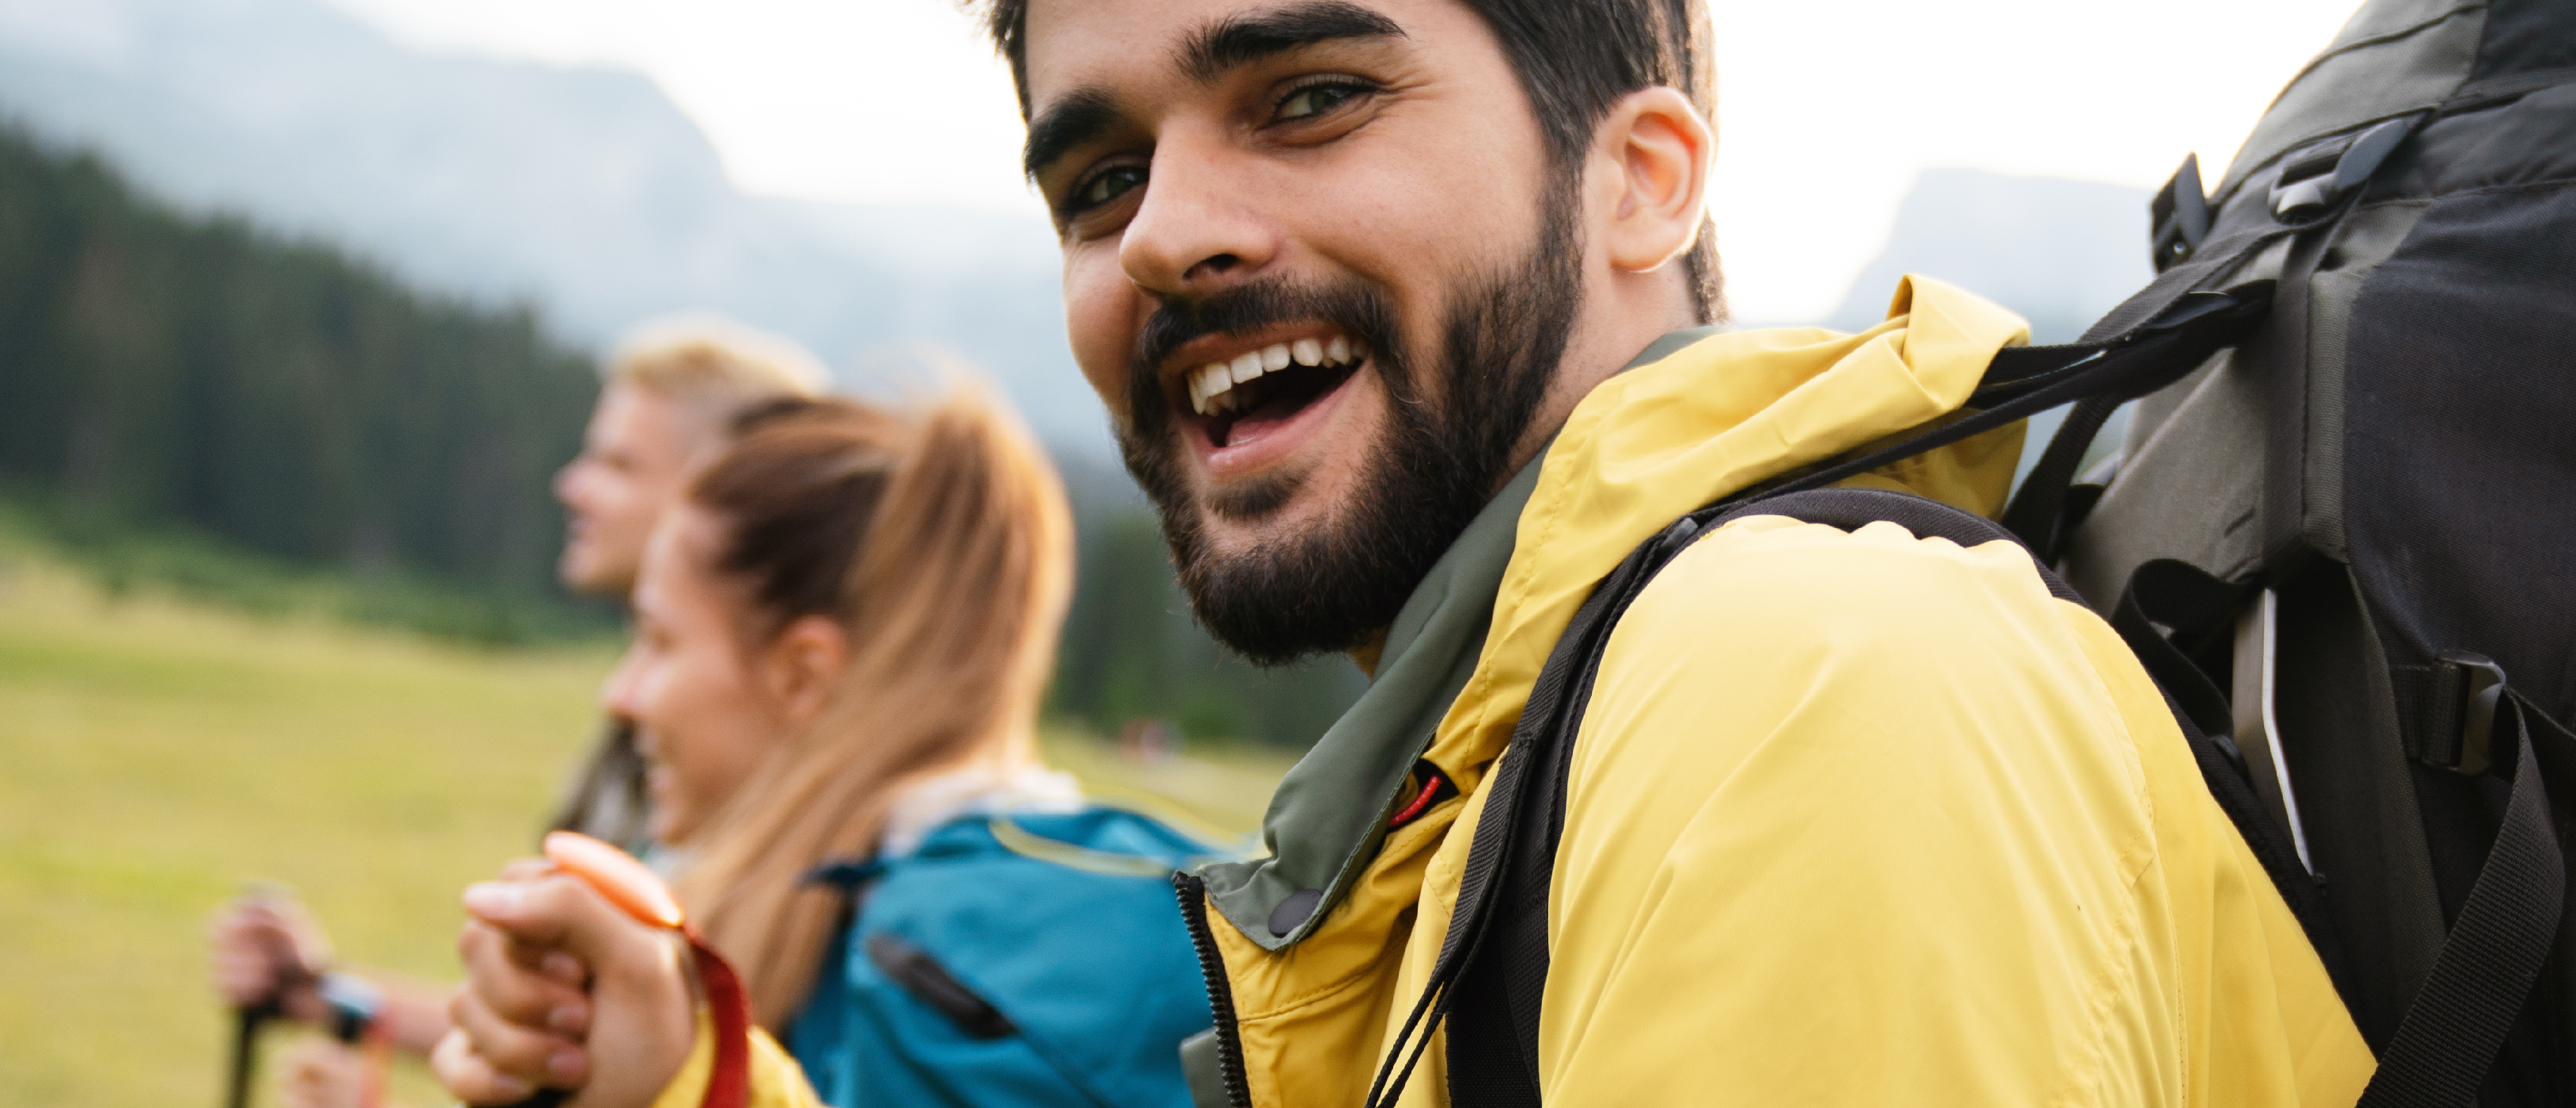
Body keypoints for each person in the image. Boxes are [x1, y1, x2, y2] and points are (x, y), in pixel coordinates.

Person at [441, 0, 2377, 1105]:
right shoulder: (1510, 769)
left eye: (1309, 97)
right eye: (1099, 178)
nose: (1165, 233)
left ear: (1639, 182)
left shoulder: (1802, 689)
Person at [443, 391, 1223, 1108]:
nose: (622, 694)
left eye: (657, 639)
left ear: (802, 675)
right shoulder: (895, 911)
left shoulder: (931, 965)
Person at [208, 315, 825, 1107]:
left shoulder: (742, 776)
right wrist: (328, 995)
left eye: (617, 462)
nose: (573, 485)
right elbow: (576, 1038)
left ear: (723, 491)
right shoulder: (648, 739)